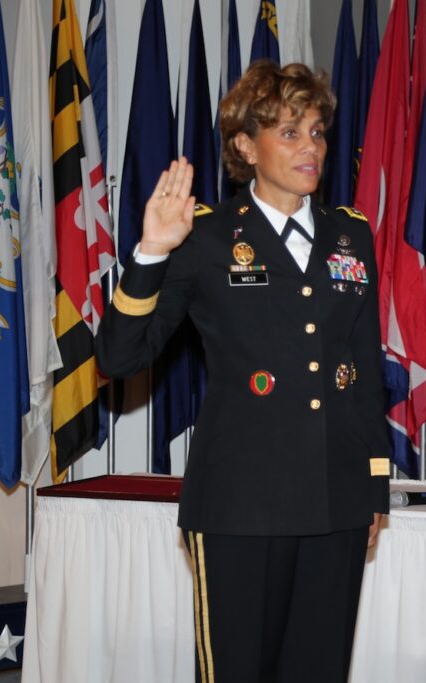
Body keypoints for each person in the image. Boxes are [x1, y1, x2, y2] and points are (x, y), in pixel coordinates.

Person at [96, 61, 390, 683]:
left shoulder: (351, 237)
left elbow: (363, 371)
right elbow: (120, 358)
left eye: (316, 131)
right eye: (289, 133)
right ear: (244, 146)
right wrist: (151, 251)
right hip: (240, 506)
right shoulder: (206, 238)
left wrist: (374, 489)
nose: (310, 147)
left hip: (336, 501)